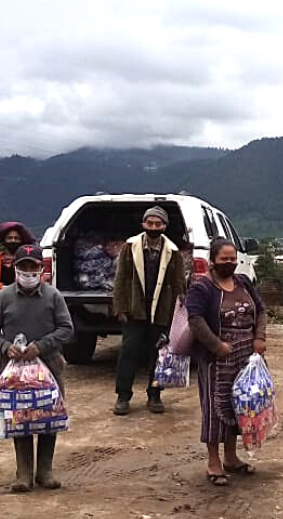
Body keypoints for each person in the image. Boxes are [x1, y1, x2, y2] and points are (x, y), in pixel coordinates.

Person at [0, 245, 74, 492]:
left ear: (41, 270)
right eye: (23, 267)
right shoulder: (4, 297)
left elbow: (66, 329)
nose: (27, 272)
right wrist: (4, 347)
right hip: (15, 369)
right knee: (20, 417)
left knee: (47, 416)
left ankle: (45, 470)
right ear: (16, 269)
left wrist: (42, 345)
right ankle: (23, 473)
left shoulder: (53, 296)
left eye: (32, 267)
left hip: (49, 365)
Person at [186, 239, 268, 486]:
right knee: (215, 408)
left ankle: (231, 457)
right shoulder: (202, 288)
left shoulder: (243, 282)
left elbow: (261, 310)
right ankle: (214, 461)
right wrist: (216, 346)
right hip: (216, 360)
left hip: (246, 358)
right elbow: (196, 320)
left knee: (240, 407)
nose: (229, 263)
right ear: (213, 260)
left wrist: (260, 337)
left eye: (233, 259)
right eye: (224, 259)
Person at [112, 206, 186, 416]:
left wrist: (178, 313)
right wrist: (120, 308)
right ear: (143, 224)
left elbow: (179, 284)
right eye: (150, 223)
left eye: (158, 224)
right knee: (129, 352)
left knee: (158, 354)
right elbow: (120, 280)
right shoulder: (130, 247)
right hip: (135, 310)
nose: (154, 227)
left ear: (164, 226)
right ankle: (123, 395)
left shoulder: (173, 252)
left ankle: (155, 394)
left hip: (161, 311)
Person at [0, 222, 36, 407]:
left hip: (22, 312)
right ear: (3, 240)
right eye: (9, 238)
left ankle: (20, 390)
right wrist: (3, 289)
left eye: (16, 239)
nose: (12, 241)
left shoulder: (26, 263)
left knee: (21, 353)